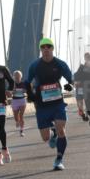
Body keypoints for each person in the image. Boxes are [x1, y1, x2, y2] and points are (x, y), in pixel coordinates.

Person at [26, 38, 75, 170]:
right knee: (45, 137)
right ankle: (52, 131)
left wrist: (70, 85)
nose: (46, 49)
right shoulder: (34, 65)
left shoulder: (60, 64)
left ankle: (59, 159)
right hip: (42, 106)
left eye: (48, 47)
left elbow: (71, 79)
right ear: (40, 50)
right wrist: (30, 94)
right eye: (43, 47)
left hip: (57, 103)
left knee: (61, 130)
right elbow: (27, 81)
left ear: (52, 48)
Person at [10, 70, 28, 137]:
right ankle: (17, 121)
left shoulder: (23, 83)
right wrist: (13, 91)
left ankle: (21, 131)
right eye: (16, 76)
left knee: (21, 116)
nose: (17, 77)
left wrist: (24, 90)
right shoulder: (12, 83)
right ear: (14, 77)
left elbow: (26, 90)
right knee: (16, 117)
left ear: (21, 76)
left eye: (18, 76)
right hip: (15, 101)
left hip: (22, 100)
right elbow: (10, 92)